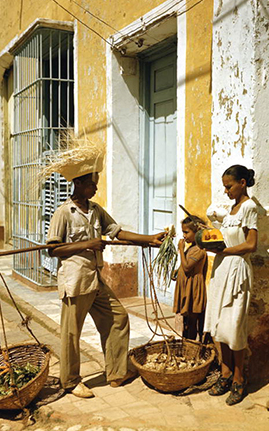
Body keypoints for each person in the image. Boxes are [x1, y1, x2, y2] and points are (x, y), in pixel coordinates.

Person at [46, 143, 164, 399]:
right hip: (75, 282)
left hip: (95, 280)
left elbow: (117, 232)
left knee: (117, 318)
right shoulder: (64, 213)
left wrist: (150, 239)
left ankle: (116, 372)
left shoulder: (97, 210)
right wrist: (87, 244)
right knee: (71, 334)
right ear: (78, 183)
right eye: (92, 183)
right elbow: (52, 249)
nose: (96, 187)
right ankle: (70, 381)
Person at [204, 164, 258, 406]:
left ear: (243, 183)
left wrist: (224, 250)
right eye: (224, 187)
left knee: (234, 327)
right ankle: (225, 374)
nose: (226, 191)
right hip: (221, 271)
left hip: (237, 271)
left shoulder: (248, 207)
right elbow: (225, 238)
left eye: (229, 186)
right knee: (220, 326)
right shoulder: (231, 210)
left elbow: (250, 245)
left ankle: (239, 378)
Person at [173, 216, 208, 341]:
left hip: (193, 288)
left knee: (192, 320)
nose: (184, 236)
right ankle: (186, 342)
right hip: (187, 286)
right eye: (183, 232)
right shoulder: (191, 248)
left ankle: (191, 345)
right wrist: (177, 271)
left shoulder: (199, 250)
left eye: (186, 232)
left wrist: (181, 251)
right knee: (186, 320)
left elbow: (188, 267)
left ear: (197, 233)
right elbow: (185, 265)